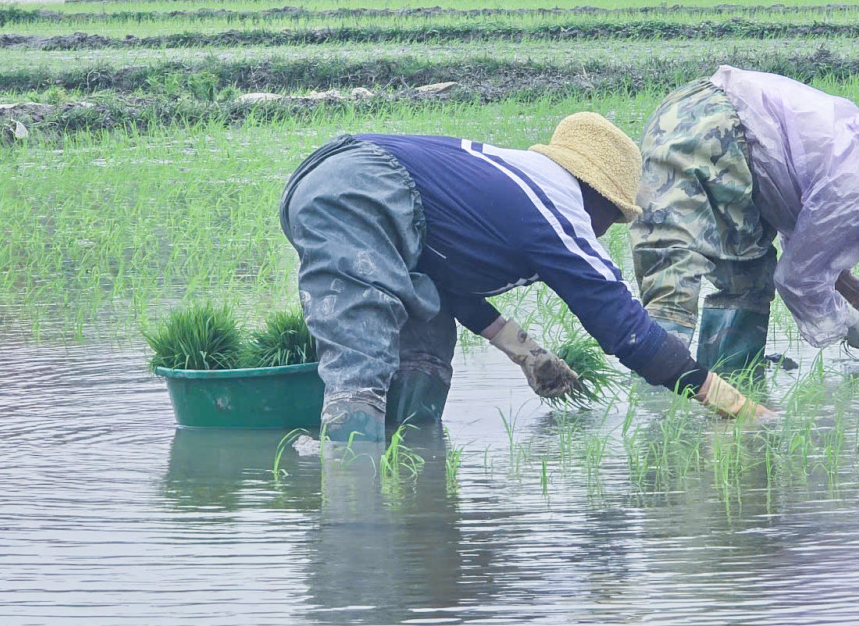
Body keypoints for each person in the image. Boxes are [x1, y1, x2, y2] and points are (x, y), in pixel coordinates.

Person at [280, 112, 771, 448]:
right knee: (361, 357)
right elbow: (627, 330)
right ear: (597, 195)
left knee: (426, 338)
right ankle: (350, 510)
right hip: (358, 187)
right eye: (613, 217)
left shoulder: (514, 185)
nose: (606, 231)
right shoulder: (555, 206)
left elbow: (452, 289)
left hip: (343, 181)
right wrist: (737, 406)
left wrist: (528, 354)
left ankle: (412, 479)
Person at [630, 67, 859, 375]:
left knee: (746, 280)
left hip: (687, 108)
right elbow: (798, 279)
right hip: (716, 132)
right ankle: (658, 417)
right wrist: (852, 323)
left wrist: (853, 293)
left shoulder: (857, 145)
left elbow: (809, 239)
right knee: (673, 284)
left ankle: (727, 395)